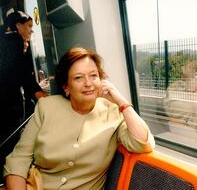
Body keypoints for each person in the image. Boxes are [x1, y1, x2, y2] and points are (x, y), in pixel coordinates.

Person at [3, 47, 155, 189]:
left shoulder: (114, 112)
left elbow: (142, 142)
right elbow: (18, 160)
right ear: (66, 87)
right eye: (78, 78)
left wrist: (121, 101)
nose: (88, 83)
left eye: (94, 76)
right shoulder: (46, 107)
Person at [0, 10, 48, 182]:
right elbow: (23, 74)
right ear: (18, 26)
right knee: (8, 143)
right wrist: (40, 94)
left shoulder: (5, 42)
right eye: (28, 26)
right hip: (7, 105)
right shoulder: (14, 43)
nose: (31, 30)